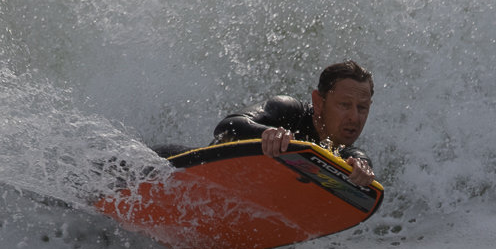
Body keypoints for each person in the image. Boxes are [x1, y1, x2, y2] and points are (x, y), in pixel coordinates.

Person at [153, 60, 377, 186]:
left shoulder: (339, 153)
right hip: (175, 168)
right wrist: (267, 134)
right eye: (344, 105)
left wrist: (362, 167)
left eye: (362, 108)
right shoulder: (288, 111)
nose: (354, 117)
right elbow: (227, 126)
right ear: (318, 102)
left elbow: (356, 155)